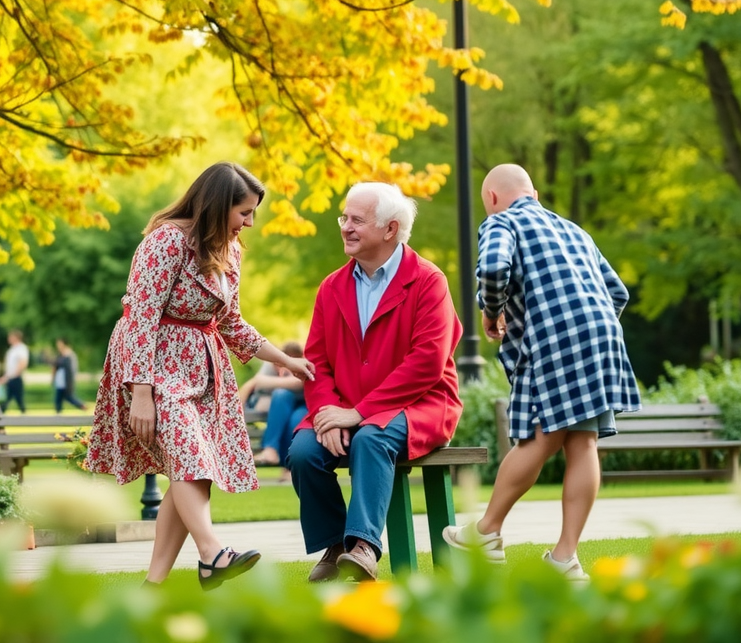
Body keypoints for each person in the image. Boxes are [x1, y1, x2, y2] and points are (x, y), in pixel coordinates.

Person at [85, 162, 315, 589]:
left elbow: (232, 325)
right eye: (243, 212)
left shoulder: (231, 253)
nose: (249, 223)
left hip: (202, 368)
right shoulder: (166, 241)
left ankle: (154, 585)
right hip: (154, 363)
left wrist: (287, 360)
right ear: (216, 205)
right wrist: (141, 392)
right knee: (190, 457)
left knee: (194, 468)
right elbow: (141, 317)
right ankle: (212, 553)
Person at [443, 164, 641, 582]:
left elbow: (494, 268)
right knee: (583, 442)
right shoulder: (573, 231)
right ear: (532, 192)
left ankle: (487, 532)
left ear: (493, 199)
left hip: (555, 339)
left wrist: (491, 310)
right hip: (602, 336)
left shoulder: (502, 223)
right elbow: (618, 291)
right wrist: (592, 324)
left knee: (539, 433)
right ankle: (565, 558)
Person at [287, 182, 462, 583]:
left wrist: (357, 413)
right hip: (346, 406)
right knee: (302, 450)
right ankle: (336, 545)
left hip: (420, 404)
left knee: (370, 437)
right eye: (344, 217)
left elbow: (427, 363)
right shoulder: (331, 287)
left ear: (390, 229)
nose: (345, 227)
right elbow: (316, 363)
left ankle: (364, 546)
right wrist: (328, 416)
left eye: (356, 220)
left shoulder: (428, 280)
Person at [244, 341, 306, 474]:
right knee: (281, 394)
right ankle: (270, 449)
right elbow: (258, 381)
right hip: (282, 405)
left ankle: (290, 468)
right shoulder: (270, 365)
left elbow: (300, 383)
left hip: (305, 405)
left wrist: (291, 380)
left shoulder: (305, 363)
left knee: (295, 420)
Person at [0, 330, 29, 413]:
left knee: (15, 397)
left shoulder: (21, 348)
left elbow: (22, 362)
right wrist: (5, 377)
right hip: (10, 377)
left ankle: (2, 411)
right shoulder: (12, 349)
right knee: (10, 397)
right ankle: (2, 411)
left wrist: (15, 374)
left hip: (15, 377)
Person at [52, 338, 85, 412]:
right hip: (60, 381)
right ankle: (58, 412)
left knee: (68, 397)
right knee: (60, 398)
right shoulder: (60, 355)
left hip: (66, 380)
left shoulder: (69, 355)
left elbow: (71, 369)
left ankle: (81, 405)